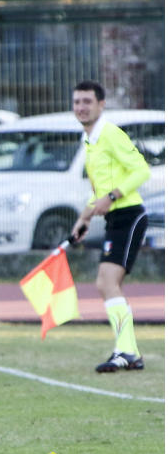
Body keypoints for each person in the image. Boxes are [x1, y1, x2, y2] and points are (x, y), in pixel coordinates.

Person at [70, 80, 151, 373]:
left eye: (87, 101)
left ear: (101, 105)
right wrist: (85, 218)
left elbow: (142, 169)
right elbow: (100, 189)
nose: (81, 107)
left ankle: (127, 351)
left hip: (130, 215)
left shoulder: (110, 133)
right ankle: (129, 352)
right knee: (109, 285)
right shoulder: (89, 139)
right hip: (115, 219)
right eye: (77, 101)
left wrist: (113, 196)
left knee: (106, 283)